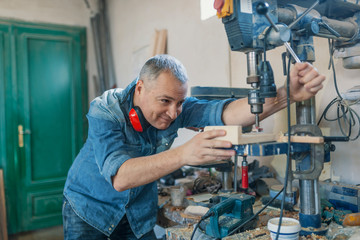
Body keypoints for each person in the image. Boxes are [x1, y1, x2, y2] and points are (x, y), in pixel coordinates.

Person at [62, 54, 325, 239]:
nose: (174, 113)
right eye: (165, 101)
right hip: (89, 209)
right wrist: (185, 154)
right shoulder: (106, 109)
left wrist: (285, 95)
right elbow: (120, 178)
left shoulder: (176, 106)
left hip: (137, 215)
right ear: (140, 88)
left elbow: (226, 113)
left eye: (179, 103)